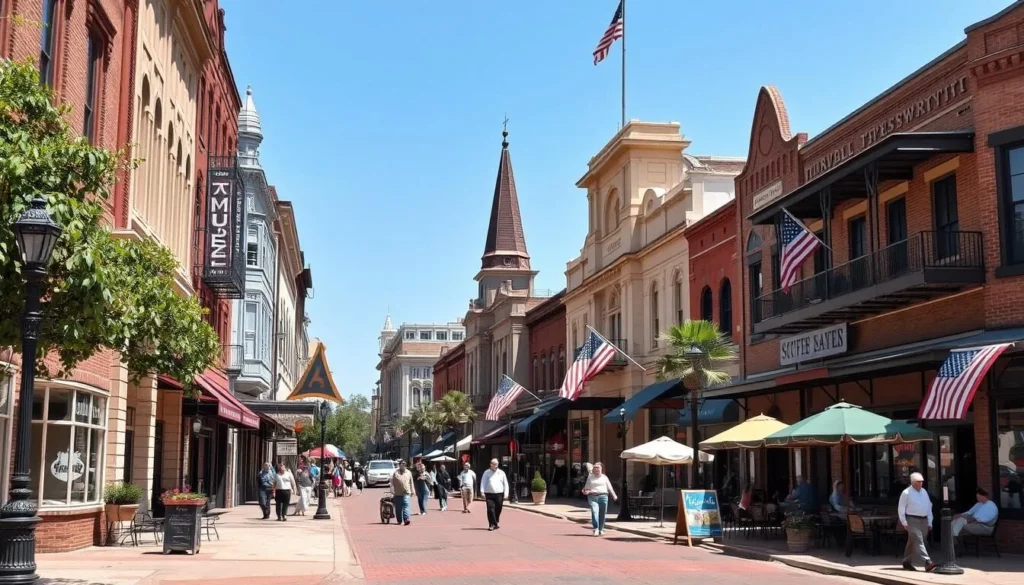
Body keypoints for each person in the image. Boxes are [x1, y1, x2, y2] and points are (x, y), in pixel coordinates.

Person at [897, 472, 935, 572]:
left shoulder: (924, 492)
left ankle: (906, 561)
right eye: (918, 482)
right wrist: (904, 521)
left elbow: (928, 507)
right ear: (913, 482)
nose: (920, 483)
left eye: (921, 482)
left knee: (913, 541)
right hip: (911, 519)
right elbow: (901, 508)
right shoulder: (906, 493)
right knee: (919, 541)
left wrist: (930, 521)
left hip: (924, 520)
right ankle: (927, 562)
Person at [582, 462, 618, 536]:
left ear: (601, 469)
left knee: (602, 513)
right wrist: (586, 491)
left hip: (603, 496)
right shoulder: (590, 477)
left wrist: (614, 496)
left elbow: (609, 487)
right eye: (595, 467)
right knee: (595, 512)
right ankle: (596, 528)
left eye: (598, 467)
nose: (596, 469)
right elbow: (586, 488)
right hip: (593, 496)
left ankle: (601, 529)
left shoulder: (604, 477)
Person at [480, 458, 509, 531]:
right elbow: (483, 482)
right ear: (491, 464)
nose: (496, 465)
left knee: (498, 508)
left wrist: (506, 493)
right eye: (494, 464)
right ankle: (492, 524)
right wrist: (482, 491)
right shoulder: (486, 473)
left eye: (497, 464)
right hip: (489, 494)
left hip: (499, 493)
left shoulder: (501, 473)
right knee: (490, 509)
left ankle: (495, 521)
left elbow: (505, 483)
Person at [390, 459, 414, 526]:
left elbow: (411, 482)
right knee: (398, 507)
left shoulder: (408, 472)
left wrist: (412, 491)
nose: (403, 465)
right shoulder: (396, 473)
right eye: (402, 464)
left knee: (406, 505)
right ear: (399, 465)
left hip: (406, 492)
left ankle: (406, 519)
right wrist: (392, 490)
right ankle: (399, 520)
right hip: (398, 493)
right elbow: (393, 482)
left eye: (404, 464)